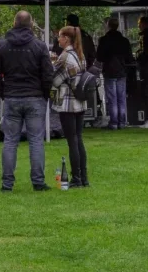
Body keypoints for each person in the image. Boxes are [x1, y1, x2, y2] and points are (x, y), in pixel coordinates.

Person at [0, 11, 53, 192]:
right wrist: (45, 94)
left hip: (12, 96)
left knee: (10, 141)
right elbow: (48, 74)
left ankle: (7, 183)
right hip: (34, 97)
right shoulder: (39, 46)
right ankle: (38, 182)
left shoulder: (3, 46)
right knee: (36, 141)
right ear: (31, 25)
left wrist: (4, 92)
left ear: (14, 23)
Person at [52, 26, 89, 188]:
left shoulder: (65, 56)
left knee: (72, 141)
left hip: (67, 103)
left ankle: (75, 179)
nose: (58, 39)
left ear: (66, 38)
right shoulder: (79, 54)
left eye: (59, 36)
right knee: (78, 139)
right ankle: (84, 177)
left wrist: (51, 63)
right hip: (80, 102)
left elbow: (54, 80)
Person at [96, 17, 132, 130]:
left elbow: (99, 57)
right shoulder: (124, 41)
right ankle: (122, 121)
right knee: (121, 97)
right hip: (121, 71)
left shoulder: (104, 40)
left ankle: (114, 122)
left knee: (112, 98)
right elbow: (129, 57)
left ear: (108, 26)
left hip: (109, 71)